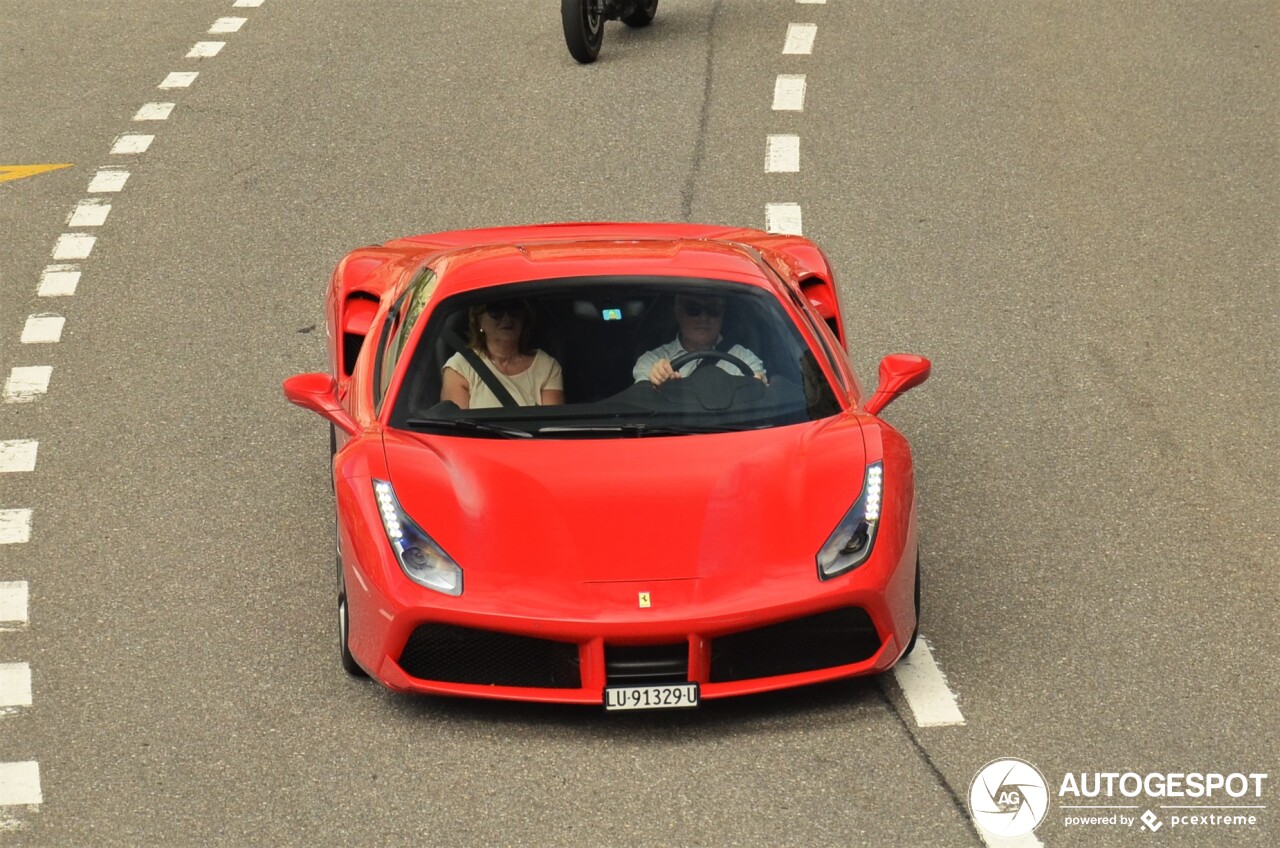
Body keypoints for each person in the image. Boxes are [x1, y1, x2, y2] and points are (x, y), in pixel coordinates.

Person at [442, 301, 565, 409]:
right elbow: (456, 430)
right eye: (496, 310)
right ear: (479, 321)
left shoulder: (546, 366)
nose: (507, 318)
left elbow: (551, 430)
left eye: (515, 309)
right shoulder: (461, 367)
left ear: (524, 318)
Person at [633, 294, 766, 386]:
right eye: (693, 309)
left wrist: (758, 387)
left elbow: (757, 400)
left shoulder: (746, 359)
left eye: (713, 310)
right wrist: (656, 382)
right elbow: (643, 406)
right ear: (678, 312)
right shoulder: (652, 362)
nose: (703, 318)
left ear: (723, 314)